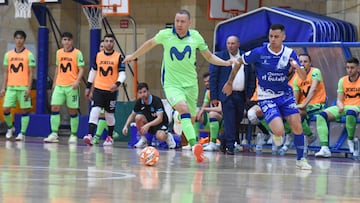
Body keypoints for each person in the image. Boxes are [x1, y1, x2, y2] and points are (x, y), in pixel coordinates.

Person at [123, 9, 233, 162]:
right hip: (172, 84)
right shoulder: (166, 34)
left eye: (182, 21)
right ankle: (195, 146)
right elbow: (149, 44)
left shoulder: (196, 37)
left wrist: (226, 63)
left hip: (191, 84)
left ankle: (191, 142)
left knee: (191, 119)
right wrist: (133, 56)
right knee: (183, 109)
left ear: (189, 23)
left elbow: (209, 56)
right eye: (177, 21)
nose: (179, 24)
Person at [223, 24, 312, 170]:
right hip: (266, 97)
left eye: (276, 37)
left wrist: (296, 67)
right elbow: (239, 61)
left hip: (285, 95)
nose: (273, 39)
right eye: (271, 36)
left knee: (297, 125)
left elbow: (302, 77)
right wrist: (229, 82)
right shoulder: (259, 52)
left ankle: (301, 159)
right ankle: (276, 134)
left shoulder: (289, 53)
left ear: (283, 37)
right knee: (279, 131)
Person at [209, 35, 255, 155]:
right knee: (229, 119)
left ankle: (223, 139)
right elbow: (213, 77)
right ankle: (230, 146)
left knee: (237, 120)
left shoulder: (245, 57)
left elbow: (251, 76)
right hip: (226, 94)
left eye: (233, 43)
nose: (230, 46)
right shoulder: (220, 57)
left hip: (241, 94)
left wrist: (249, 94)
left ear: (238, 44)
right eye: (228, 43)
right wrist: (213, 96)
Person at [84, 33, 126, 146]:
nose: (108, 43)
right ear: (104, 42)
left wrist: (117, 84)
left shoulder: (119, 57)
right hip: (98, 88)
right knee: (95, 110)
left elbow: (122, 74)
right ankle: (89, 135)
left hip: (111, 91)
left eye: (111, 41)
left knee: (109, 115)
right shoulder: (98, 56)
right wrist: (88, 87)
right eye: (106, 41)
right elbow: (93, 72)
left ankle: (110, 136)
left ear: (114, 43)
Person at [43, 32, 85, 144]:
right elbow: (58, 68)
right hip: (59, 85)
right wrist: (55, 82)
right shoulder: (59, 53)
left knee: (72, 110)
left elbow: (81, 69)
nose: (66, 42)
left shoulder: (77, 53)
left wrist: (77, 81)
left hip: (72, 86)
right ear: (62, 41)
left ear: (72, 41)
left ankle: (73, 135)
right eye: (64, 39)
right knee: (55, 108)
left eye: (68, 39)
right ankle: (54, 133)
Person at [315, 57, 360, 158]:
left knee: (351, 113)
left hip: (357, 107)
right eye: (347, 67)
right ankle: (325, 148)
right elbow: (339, 99)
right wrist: (340, 106)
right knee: (321, 115)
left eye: (352, 67)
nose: (349, 70)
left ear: (358, 69)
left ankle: (350, 140)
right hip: (344, 106)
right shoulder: (342, 80)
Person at [1, 30, 36, 141]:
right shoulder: (8, 55)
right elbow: (6, 72)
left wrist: (29, 88)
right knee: (6, 109)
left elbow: (31, 73)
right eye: (17, 38)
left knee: (24, 110)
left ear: (24, 40)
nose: (19, 40)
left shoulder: (29, 55)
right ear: (14, 39)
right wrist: (3, 87)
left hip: (23, 87)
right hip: (11, 87)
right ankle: (10, 128)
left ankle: (22, 133)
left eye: (21, 38)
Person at [122, 82, 176, 149]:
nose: (143, 94)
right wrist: (126, 126)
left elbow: (160, 119)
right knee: (138, 117)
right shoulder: (139, 102)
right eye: (140, 93)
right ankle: (143, 140)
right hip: (149, 123)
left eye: (144, 92)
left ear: (148, 91)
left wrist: (148, 125)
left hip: (161, 124)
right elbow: (132, 115)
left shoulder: (156, 101)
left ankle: (168, 136)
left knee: (160, 136)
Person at [188, 72, 223, 151]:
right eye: (205, 82)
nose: (207, 83)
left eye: (208, 81)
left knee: (212, 114)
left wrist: (204, 109)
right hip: (211, 120)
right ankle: (195, 143)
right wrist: (198, 113)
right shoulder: (208, 92)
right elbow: (203, 107)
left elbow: (220, 109)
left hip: (223, 120)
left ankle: (213, 143)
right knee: (195, 113)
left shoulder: (221, 90)